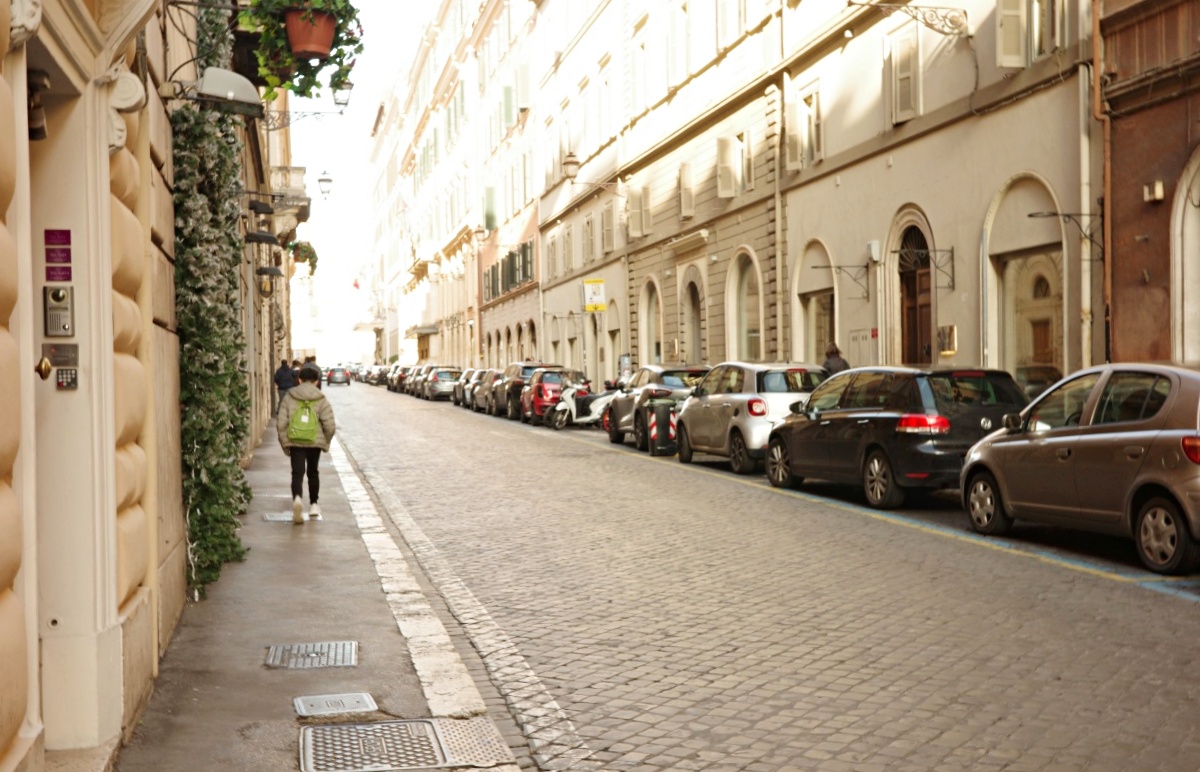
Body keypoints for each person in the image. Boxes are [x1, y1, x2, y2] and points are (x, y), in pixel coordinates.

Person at [277, 363, 336, 524]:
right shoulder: (321, 398)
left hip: (295, 440)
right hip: (314, 442)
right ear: (316, 381)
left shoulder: (290, 396)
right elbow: (329, 425)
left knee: (297, 473)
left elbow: (281, 423)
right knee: (313, 472)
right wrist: (325, 441)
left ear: (300, 380)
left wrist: (284, 442)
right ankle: (314, 505)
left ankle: (297, 499)